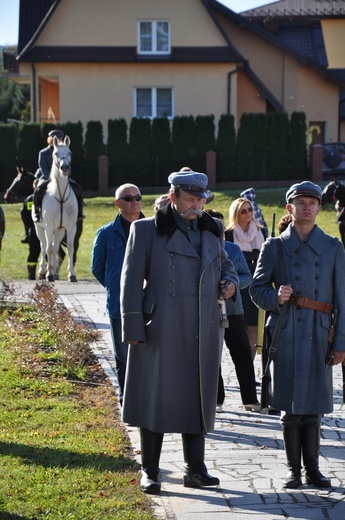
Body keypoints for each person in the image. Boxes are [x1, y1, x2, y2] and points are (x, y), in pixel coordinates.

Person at [120, 171, 239, 494]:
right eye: (190, 199)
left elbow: (226, 266)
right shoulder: (145, 229)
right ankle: (151, 470)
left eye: (201, 199)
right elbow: (130, 282)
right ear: (172, 197)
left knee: (197, 396)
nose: (196, 205)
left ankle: (195, 469)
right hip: (160, 326)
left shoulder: (212, 228)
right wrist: (133, 326)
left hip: (203, 325)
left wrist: (230, 285)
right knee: (155, 399)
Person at [250, 181, 345, 489]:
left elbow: (343, 299)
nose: (307, 207)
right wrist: (275, 296)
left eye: (312, 202)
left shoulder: (333, 247)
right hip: (286, 333)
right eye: (300, 202)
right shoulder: (274, 247)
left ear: (319, 208)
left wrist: (341, 342)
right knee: (291, 408)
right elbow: (256, 289)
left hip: (319, 336)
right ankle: (294, 470)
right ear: (289, 208)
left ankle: (313, 470)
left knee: (314, 407)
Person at [91, 184, 144, 406]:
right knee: (123, 356)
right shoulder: (106, 234)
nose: (134, 201)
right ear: (118, 203)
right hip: (119, 305)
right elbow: (97, 268)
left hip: (150, 303)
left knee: (149, 356)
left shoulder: (153, 228)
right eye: (128, 198)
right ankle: (127, 400)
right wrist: (117, 288)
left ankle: (149, 399)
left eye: (137, 197)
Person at [205, 209, 260, 413]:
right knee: (213, 356)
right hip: (209, 312)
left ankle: (250, 399)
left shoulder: (234, 250)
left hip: (234, 310)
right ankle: (216, 399)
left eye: (221, 227)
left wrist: (233, 285)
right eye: (213, 226)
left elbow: (247, 276)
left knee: (243, 355)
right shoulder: (200, 249)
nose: (218, 231)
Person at [225, 197, 265, 359]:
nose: (248, 213)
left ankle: (250, 363)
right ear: (236, 213)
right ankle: (242, 363)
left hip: (257, 281)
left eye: (250, 210)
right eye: (243, 210)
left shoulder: (260, 231)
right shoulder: (229, 234)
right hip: (238, 283)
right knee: (240, 327)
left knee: (254, 326)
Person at [33, 129, 84, 222]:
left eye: (59, 138)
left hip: (63, 178)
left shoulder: (64, 151)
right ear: (50, 139)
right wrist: (51, 177)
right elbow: (42, 166)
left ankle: (79, 211)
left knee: (77, 188)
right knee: (38, 190)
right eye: (54, 138)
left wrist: (66, 176)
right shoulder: (43, 152)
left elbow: (68, 165)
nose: (57, 139)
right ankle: (37, 212)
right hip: (47, 177)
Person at [21, 179, 41, 280]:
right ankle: (44, 276)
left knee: (33, 253)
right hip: (44, 231)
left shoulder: (28, 199)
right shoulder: (45, 199)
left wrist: (28, 226)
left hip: (32, 231)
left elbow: (23, 214)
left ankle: (31, 276)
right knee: (46, 254)